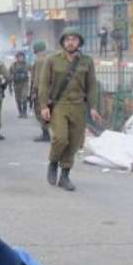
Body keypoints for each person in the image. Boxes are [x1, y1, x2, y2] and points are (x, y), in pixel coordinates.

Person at [39, 29, 102, 192]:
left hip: (78, 106)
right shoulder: (52, 60)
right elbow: (44, 84)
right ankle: (53, 162)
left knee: (74, 142)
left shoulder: (87, 61)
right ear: (63, 42)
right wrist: (44, 106)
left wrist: (93, 107)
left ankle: (65, 176)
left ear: (79, 42)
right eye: (67, 39)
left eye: (74, 39)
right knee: (60, 138)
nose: (70, 42)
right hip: (60, 105)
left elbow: (91, 85)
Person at [29, 40, 51, 142]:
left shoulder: (39, 61)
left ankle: (45, 134)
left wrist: (34, 91)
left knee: (40, 111)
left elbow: (37, 78)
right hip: (49, 90)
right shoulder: (49, 59)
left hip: (41, 91)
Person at [8, 51, 31, 118]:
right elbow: (9, 76)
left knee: (24, 97)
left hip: (24, 83)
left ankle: (25, 112)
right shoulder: (13, 65)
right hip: (16, 84)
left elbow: (33, 71)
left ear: (24, 57)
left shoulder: (27, 64)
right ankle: (20, 112)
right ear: (16, 58)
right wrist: (10, 87)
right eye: (19, 57)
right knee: (18, 99)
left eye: (21, 56)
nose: (20, 58)